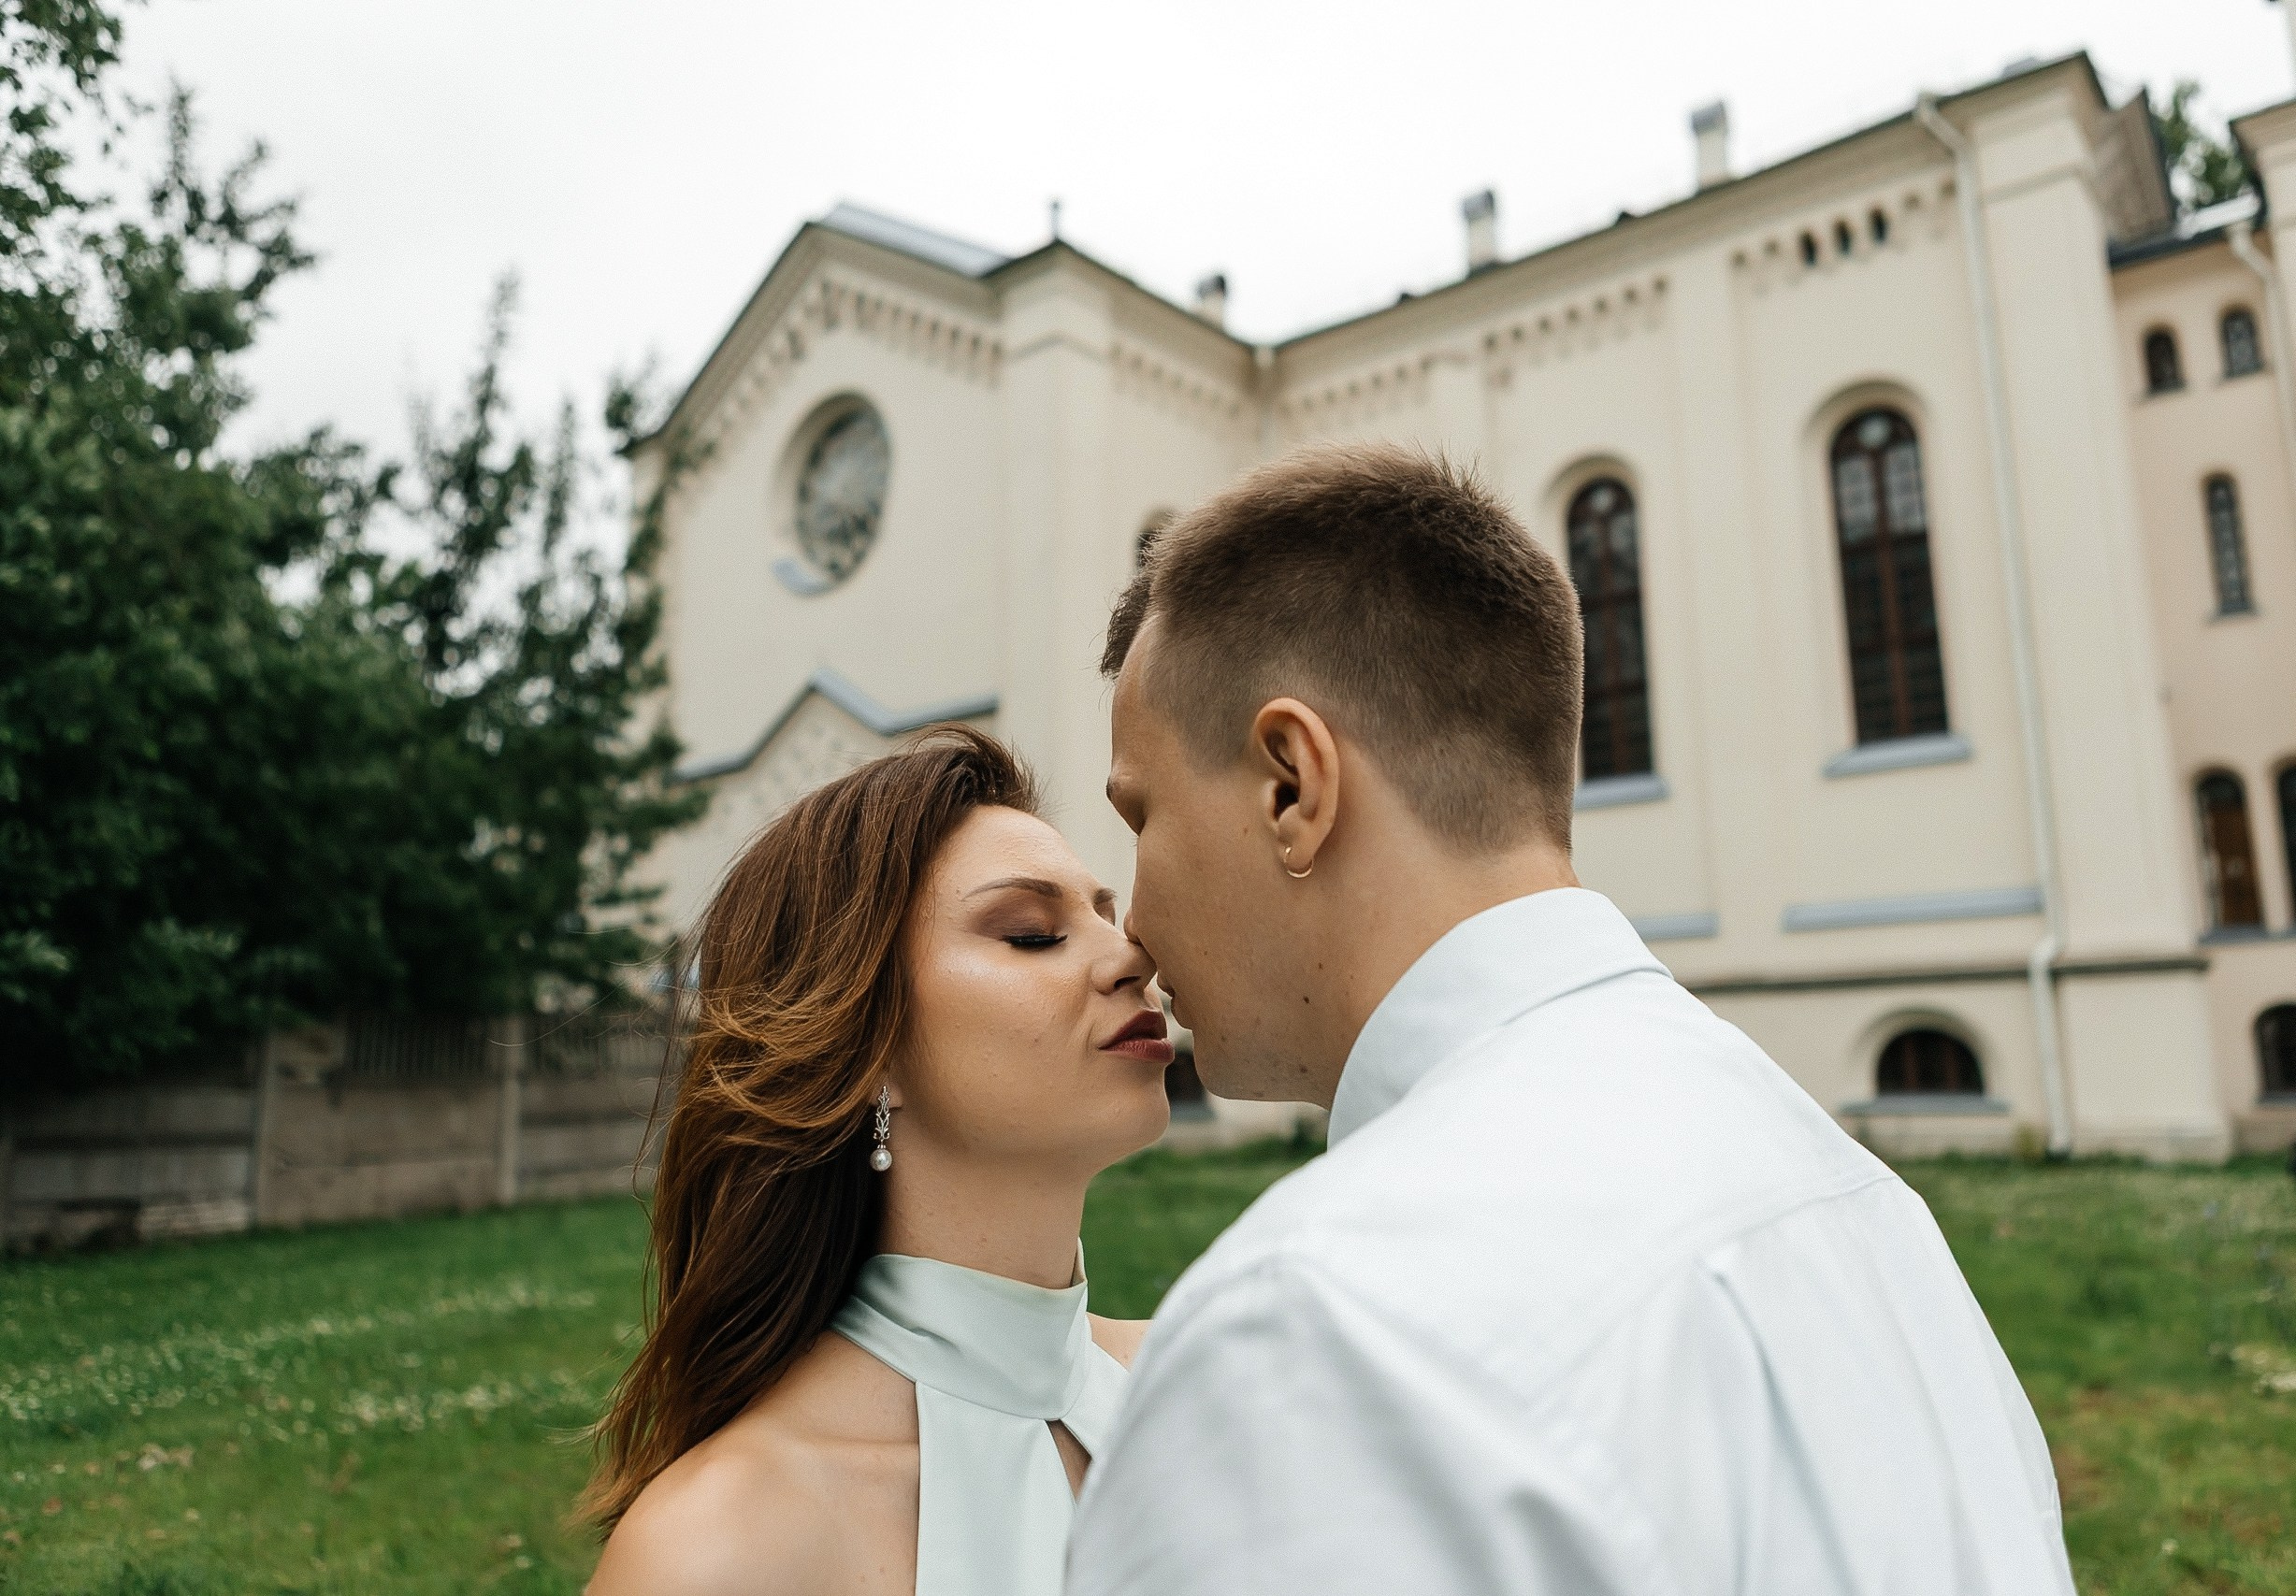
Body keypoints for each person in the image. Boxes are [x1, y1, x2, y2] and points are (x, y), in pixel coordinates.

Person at [1068, 445, 2074, 1594]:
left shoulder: (1314, 1334)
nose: (1133, 924)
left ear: (1292, 787)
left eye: (1141, 819)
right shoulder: (1861, 1205)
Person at [584, 728, 1174, 1596]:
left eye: (1106, 915)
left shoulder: (1201, 1387)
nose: (1132, 956)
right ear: (867, 1054)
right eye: (1032, 934)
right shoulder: (717, 1546)